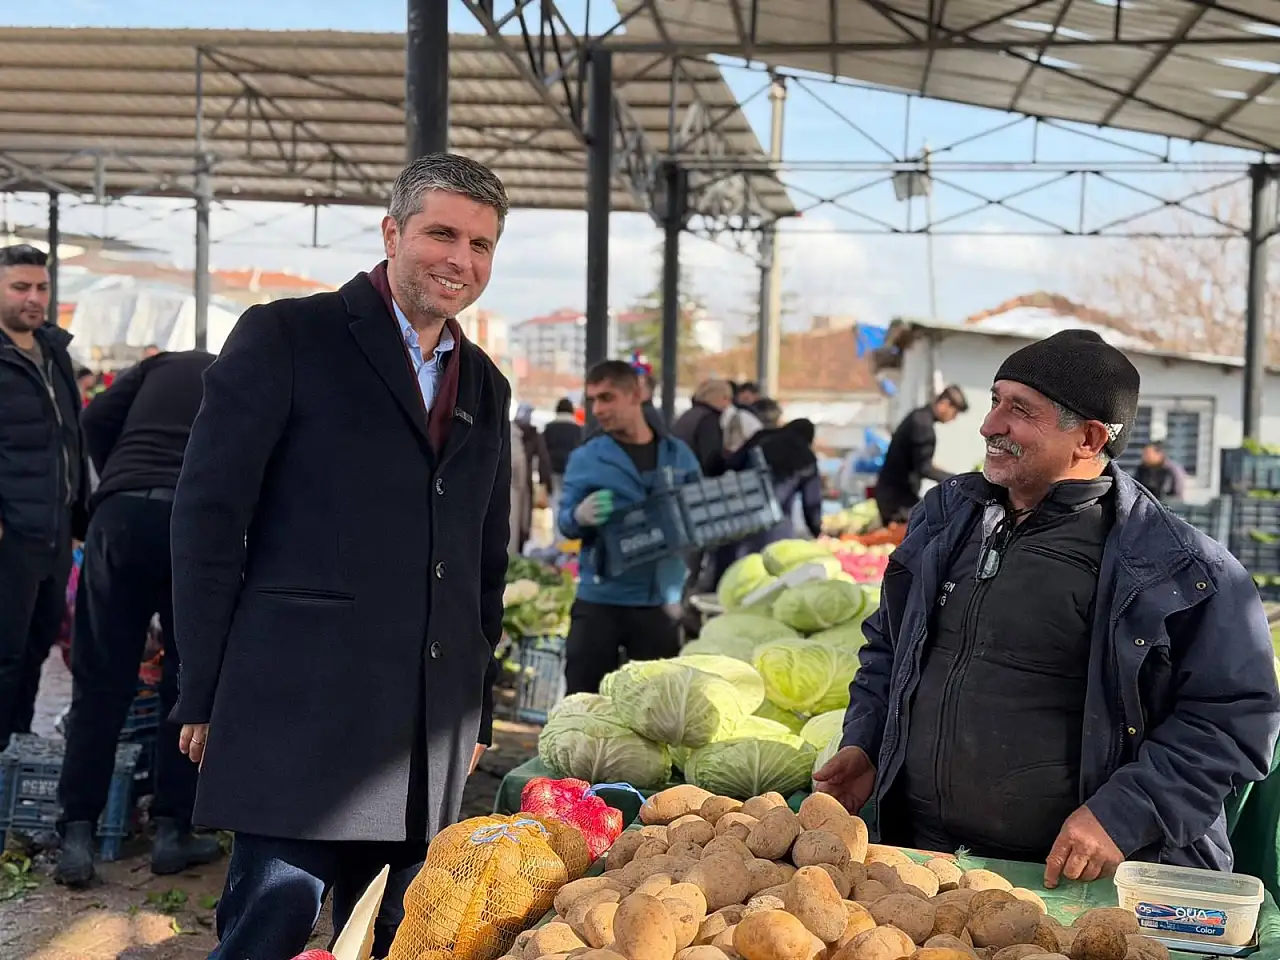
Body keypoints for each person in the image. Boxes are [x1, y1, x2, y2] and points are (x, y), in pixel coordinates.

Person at [169, 153, 513, 959]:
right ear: (392, 232)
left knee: (395, 939)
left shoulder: (486, 386)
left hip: (424, 729)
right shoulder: (289, 335)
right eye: (441, 233)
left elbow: (482, 560)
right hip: (301, 710)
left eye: (482, 244)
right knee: (270, 927)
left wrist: (476, 707)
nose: (460, 260)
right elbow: (209, 521)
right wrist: (202, 689)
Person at [815, 330, 1280, 887]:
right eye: (994, 401)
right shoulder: (944, 518)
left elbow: (1232, 718)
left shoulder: (1180, 570)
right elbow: (889, 646)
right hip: (924, 865)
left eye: (1020, 410)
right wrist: (867, 741)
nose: (990, 426)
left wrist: (1123, 815)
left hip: (1074, 883)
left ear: (1087, 438)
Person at [55, 349, 221, 887]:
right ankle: (172, 831)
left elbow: (93, 420)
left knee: (101, 681)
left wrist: (118, 478)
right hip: (192, 525)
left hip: (120, 516)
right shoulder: (248, 373)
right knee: (186, 681)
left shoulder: (159, 365)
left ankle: (77, 834)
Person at [558, 360, 700, 694]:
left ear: (636, 394)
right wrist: (578, 517)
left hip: (660, 601)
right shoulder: (587, 458)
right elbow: (564, 522)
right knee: (582, 699)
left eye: (607, 398)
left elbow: (700, 512)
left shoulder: (678, 455)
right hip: (601, 598)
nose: (598, 410)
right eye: (592, 400)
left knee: (654, 708)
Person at [0, 244, 88, 753]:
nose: (33, 298)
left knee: (36, 648)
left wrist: (80, 516)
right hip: (11, 531)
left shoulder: (53, 351)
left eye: (41, 288)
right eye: (20, 287)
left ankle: (14, 747)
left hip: (53, 531)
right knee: (4, 651)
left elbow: (71, 438)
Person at [874, 384, 967, 526]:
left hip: (890, 494)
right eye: (954, 413)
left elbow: (921, 461)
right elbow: (924, 468)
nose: (953, 419)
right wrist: (956, 481)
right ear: (945, 404)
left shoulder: (918, 416)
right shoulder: (924, 427)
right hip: (898, 500)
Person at [728, 418, 824, 550]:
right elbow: (811, 501)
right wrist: (816, 530)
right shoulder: (806, 457)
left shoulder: (761, 438)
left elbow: (732, 463)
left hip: (740, 512)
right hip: (776, 523)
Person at [671, 378, 732, 475]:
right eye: (726, 398)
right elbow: (711, 461)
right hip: (693, 479)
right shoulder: (708, 420)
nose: (728, 404)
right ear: (717, 397)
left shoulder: (690, 414)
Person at [513, 402, 552, 552]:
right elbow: (543, 459)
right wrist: (546, 482)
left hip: (506, 481)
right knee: (522, 518)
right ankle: (519, 548)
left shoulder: (510, 431)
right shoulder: (533, 434)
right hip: (525, 482)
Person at [543, 398, 583, 538]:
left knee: (555, 501)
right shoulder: (578, 429)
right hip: (571, 471)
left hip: (553, 470)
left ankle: (556, 535)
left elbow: (543, 452)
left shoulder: (549, 428)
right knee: (568, 502)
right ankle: (566, 536)